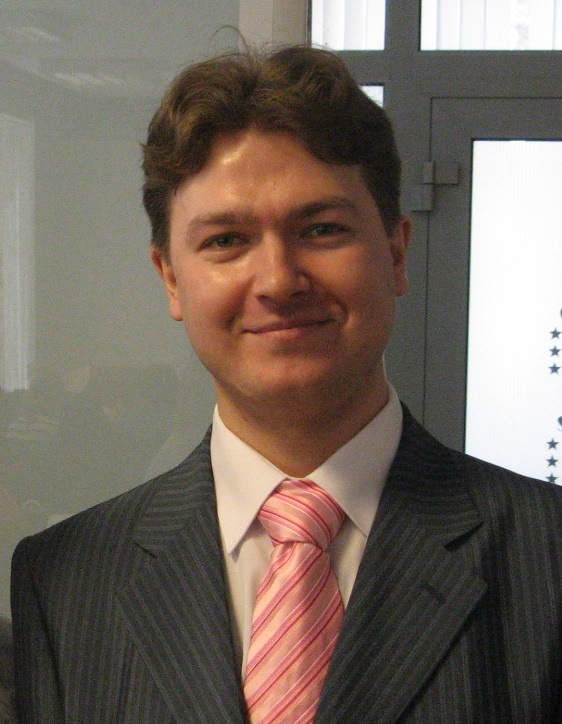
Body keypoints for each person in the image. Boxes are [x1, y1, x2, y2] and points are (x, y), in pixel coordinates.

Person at [11, 45, 562, 723]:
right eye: (226, 241)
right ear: (171, 279)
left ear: (396, 253)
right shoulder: (66, 579)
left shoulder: (546, 555)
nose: (277, 281)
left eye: (322, 229)